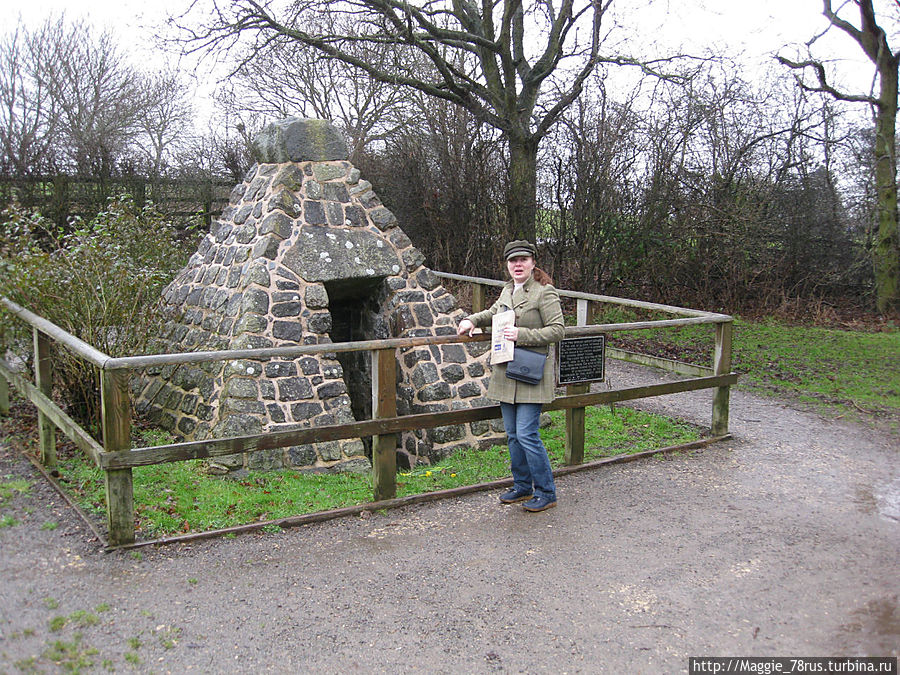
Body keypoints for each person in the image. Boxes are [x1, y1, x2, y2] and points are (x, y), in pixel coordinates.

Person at [457, 240, 565, 512]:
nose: (518, 265)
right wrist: (472, 320)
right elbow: (494, 313)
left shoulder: (544, 293)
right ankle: (522, 486)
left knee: (528, 434)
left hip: (531, 372)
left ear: (532, 263)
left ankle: (546, 492)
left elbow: (558, 330)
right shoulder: (507, 290)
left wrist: (523, 335)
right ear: (507, 265)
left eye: (523, 260)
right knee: (513, 435)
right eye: (513, 261)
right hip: (507, 371)